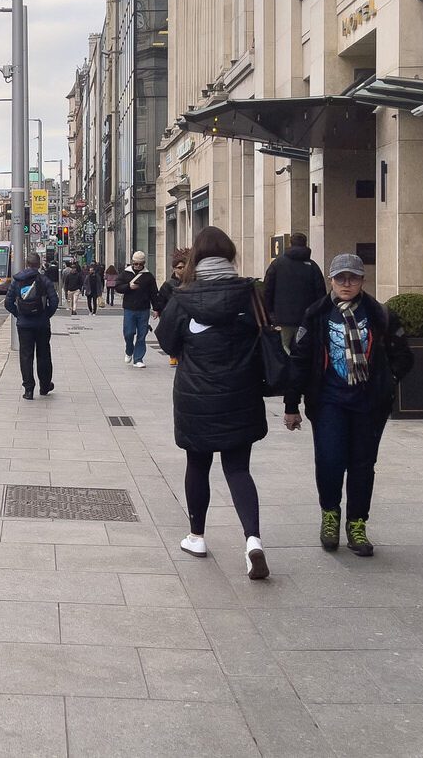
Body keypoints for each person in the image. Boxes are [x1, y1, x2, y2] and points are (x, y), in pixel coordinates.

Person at [155, 226, 271, 580]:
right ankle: (253, 541)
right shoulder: (250, 295)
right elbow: (264, 338)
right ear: (231, 256)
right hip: (240, 394)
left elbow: (167, 342)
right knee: (238, 470)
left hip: (197, 397)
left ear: (196, 260)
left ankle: (197, 536)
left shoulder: (183, 297)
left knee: (198, 465)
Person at [283, 254, 414, 558]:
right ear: (330, 279)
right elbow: (299, 361)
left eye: (352, 278)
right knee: (330, 460)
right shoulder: (316, 314)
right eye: (340, 278)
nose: (346, 283)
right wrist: (292, 404)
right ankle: (330, 515)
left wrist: (388, 380)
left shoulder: (380, 314)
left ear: (362, 281)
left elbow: (403, 354)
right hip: (328, 401)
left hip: (369, 404)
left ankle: (357, 523)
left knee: (362, 464)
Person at [4, 252, 58, 400]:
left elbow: (8, 303)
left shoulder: (17, 281)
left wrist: (19, 314)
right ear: (39, 264)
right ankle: (45, 386)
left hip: (24, 325)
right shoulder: (44, 280)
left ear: (26, 264)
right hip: (42, 324)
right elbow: (54, 301)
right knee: (44, 355)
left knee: (26, 357)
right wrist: (46, 315)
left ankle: (28, 389)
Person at [263, 232, 328, 352]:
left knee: (283, 350)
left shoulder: (277, 264)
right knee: (303, 350)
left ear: (290, 244)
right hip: (306, 320)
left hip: (281, 318)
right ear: (306, 244)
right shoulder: (313, 266)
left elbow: (267, 290)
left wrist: (270, 314)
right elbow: (321, 294)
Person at [115, 251, 157, 367]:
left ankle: (138, 359)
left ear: (144, 263)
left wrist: (156, 308)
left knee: (142, 335)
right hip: (129, 308)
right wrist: (128, 286)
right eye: (136, 264)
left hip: (144, 309)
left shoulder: (148, 276)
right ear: (132, 262)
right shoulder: (125, 273)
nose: (138, 266)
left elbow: (154, 293)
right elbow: (117, 287)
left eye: (140, 264)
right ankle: (129, 350)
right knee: (129, 333)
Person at [153, 249, 190, 365]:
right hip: (170, 314)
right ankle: (173, 355)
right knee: (174, 335)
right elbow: (161, 299)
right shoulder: (168, 284)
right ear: (174, 269)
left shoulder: (190, 283)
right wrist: (158, 310)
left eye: (184, 267)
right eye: (179, 267)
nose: (182, 269)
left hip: (185, 314)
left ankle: (180, 355)